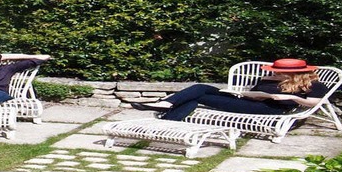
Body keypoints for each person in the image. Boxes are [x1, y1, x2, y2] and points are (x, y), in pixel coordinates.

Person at [132, 58, 328, 121]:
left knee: (200, 97)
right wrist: (255, 92)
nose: (274, 73)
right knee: (201, 88)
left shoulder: (314, 84)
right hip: (250, 102)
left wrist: (286, 98)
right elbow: (254, 93)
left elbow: (317, 103)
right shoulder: (268, 78)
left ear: (293, 75)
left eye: (278, 72)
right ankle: (167, 113)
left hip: (270, 109)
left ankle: (166, 111)